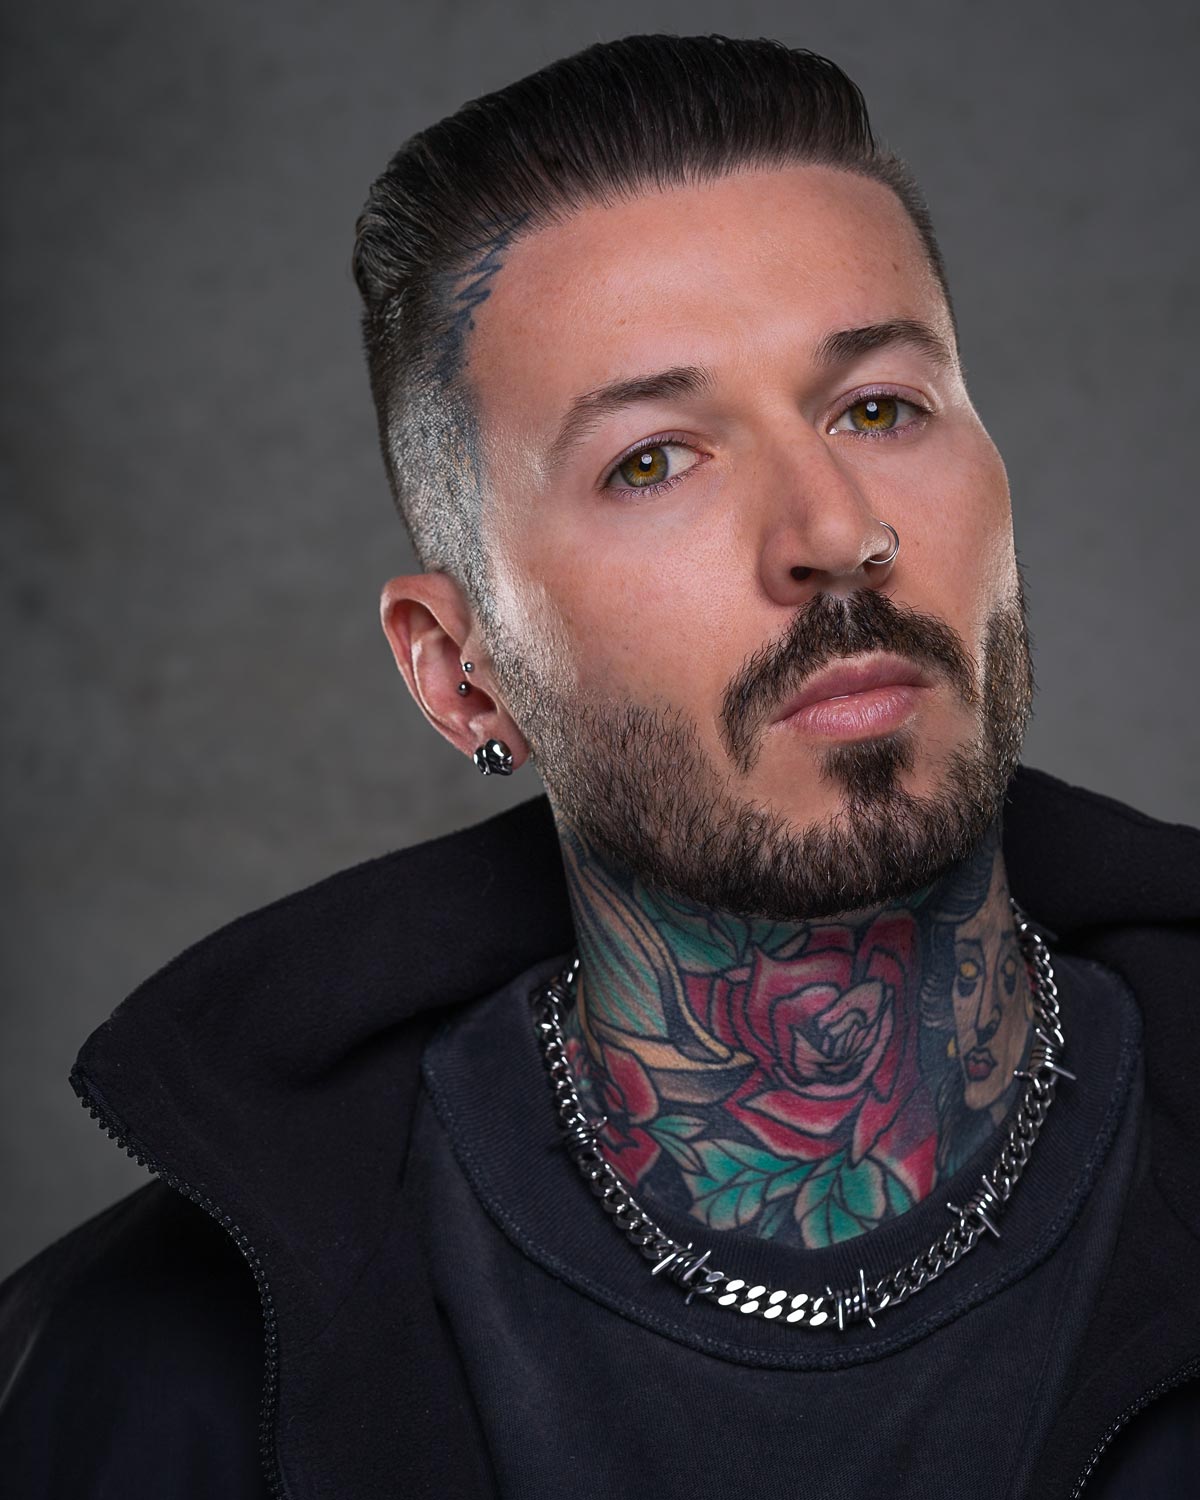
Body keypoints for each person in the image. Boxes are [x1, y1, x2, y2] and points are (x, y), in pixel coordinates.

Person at [1, 32, 1198, 1500]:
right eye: (654, 460)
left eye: (879, 408)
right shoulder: (137, 1383)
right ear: (459, 669)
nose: (831, 528)